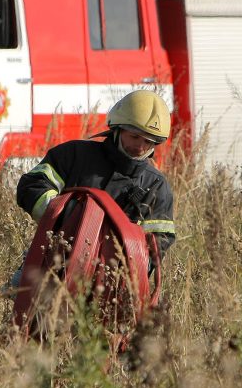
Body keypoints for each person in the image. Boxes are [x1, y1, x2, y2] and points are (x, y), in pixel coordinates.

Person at [11, 90, 176, 288]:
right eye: (134, 137)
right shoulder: (74, 155)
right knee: (24, 311)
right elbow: (32, 186)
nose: (140, 147)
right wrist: (70, 218)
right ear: (117, 129)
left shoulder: (156, 185)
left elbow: (158, 244)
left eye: (149, 141)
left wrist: (123, 273)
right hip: (49, 268)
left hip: (108, 287)